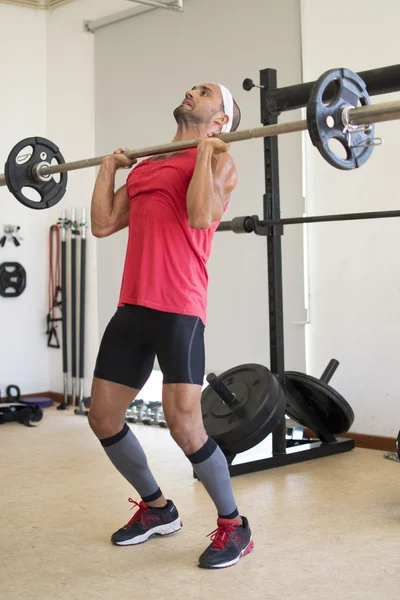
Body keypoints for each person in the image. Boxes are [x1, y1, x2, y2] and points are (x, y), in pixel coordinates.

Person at [88, 82, 253, 569]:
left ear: (220, 119)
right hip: (133, 305)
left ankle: (234, 526)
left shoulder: (221, 162)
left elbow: (201, 216)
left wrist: (203, 155)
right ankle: (158, 508)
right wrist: (107, 170)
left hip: (180, 305)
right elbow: (102, 224)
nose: (191, 92)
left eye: (203, 92)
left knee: (184, 423)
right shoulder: (149, 165)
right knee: (103, 417)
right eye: (192, 87)